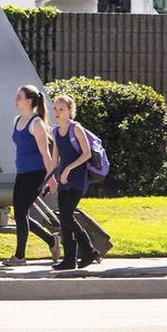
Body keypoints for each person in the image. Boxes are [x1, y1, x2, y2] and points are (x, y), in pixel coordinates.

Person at [3, 84, 61, 267]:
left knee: (21, 213)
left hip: (36, 174)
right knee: (20, 214)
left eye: (19, 97)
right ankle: (52, 240)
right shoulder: (17, 120)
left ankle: (19, 257)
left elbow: (46, 154)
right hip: (22, 173)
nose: (15, 99)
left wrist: (51, 179)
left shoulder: (36, 124)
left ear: (28, 101)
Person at [48, 94, 99, 270]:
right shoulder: (55, 131)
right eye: (55, 109)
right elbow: (55, 160)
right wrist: (49, 178)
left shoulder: (76, 128)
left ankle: (89, 250)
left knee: (67, 214)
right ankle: (69, 259)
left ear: (70, 110)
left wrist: (69, 168)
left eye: (61, 109)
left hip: (77, 178)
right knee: (64, 219)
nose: (57, 112)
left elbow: (87, 154)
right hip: (63, 179)